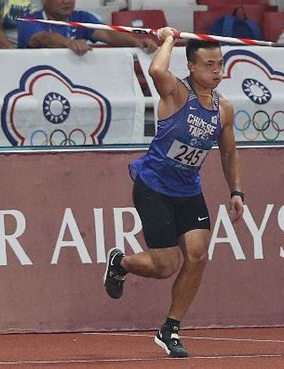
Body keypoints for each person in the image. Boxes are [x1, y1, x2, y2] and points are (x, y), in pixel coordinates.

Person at [103, 27, 244, 358]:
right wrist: (168, 38)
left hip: (188, 190)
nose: (216, 71)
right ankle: (120, 262)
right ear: (192, 66)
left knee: (197, 256)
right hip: (153, 186)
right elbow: (155, 70)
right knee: (165, 266)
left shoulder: (224, 109)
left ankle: (170, 329)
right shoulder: (176, 93)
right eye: (209, 64)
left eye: (220, 64)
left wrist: (236, 190)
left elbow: (228, 153)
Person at [17, 0, 157, 54]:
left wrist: (137, 42)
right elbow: (44, 38)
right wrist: (69, 43)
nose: (67, 1)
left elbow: (108, 34)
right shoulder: (28, 20)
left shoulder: (81, 18)